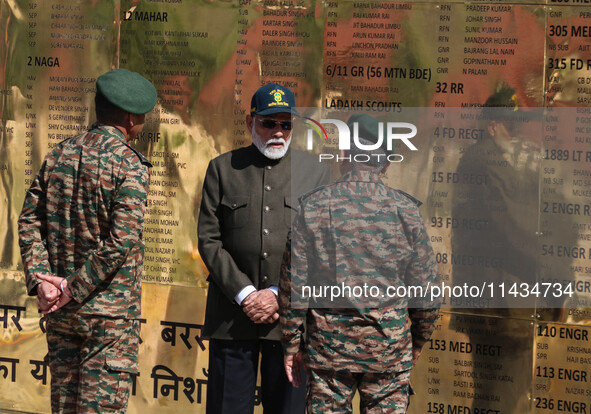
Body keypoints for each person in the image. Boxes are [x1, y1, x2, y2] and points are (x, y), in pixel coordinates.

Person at [279, 113, 440, 413]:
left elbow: (293, 287)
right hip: (388, 353)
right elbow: (428, 292)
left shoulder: (312, 207)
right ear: (387, 162)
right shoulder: (406, 211)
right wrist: (417, 342)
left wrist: (290, 344)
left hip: (328, 354)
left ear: (343, 155)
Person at [18, 68, 157, 413]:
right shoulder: (129, 164)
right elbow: (120, 241)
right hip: (106, 319)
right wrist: (71, 288)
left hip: (61, 314)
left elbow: (29, 220)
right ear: (129, 118)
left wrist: (42, 281)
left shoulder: (58, 155)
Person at [198, 83, 331, 413]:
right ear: (250, 121)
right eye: (268, 123)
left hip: (290, 323)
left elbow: (319, 246)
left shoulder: (315, 171)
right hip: (232, 318)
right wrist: (245, 293)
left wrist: (275, 293)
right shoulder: (223, 168)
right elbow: (209, 240)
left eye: (285, 124)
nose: (278, 132)